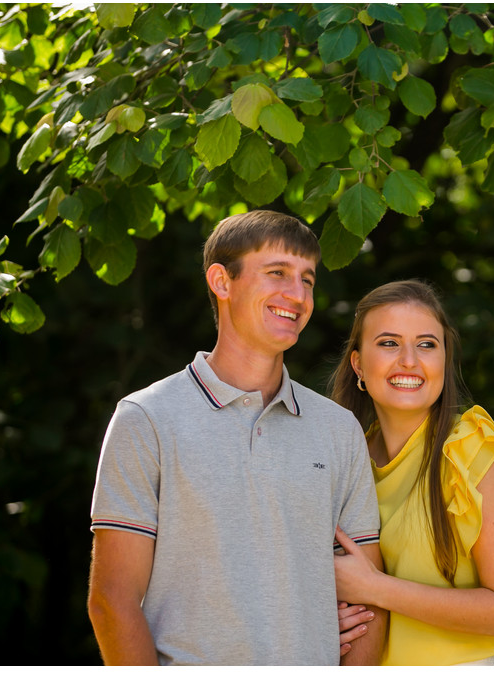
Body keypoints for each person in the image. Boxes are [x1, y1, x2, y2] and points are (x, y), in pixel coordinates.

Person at [87, 210, 386, 665]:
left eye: (307, 279)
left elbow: (371, 602)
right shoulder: (146, 418)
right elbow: (112, 599)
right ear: (222, 282)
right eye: (278, 273)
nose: (298, 294)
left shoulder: (338, 429)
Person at [329, 280, 494, 665]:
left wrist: (376, 589)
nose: (410, 361)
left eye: (427, 344)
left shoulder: (471, 449)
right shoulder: (345, 456)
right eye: (389, 343)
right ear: (358, 363)